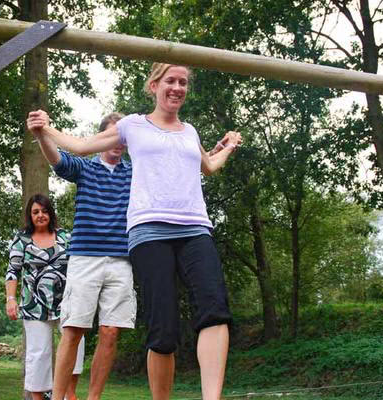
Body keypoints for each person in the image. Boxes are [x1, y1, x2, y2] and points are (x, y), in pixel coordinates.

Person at [27, 62, 242, 400]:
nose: (177, 87)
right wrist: (46, 130)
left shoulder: (189, 132)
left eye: (183, 82)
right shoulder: (132, 127)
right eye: (170, 80)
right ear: (153, 85)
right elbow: (81, 147)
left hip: (195, 228)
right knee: (162, 329)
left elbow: (208, 166)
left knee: (215, 308)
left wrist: (228, 146)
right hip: (147, 232)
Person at [32, 112, 137, 400]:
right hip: (85, 259)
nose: (117, 143)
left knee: (111, 332)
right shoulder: (85, 167)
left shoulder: (135, 172)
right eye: (112, 136)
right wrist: (42, 133)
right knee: (73, 330)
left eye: (123, 138)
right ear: (101, 138)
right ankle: (60, 396)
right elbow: (57, 159)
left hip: (121, 261)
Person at [5, 194, 85, 400]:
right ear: (30, 216)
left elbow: (79, 266)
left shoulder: (65, 237)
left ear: (51, 213)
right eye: (35, 212)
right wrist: (11, 299)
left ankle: (70, 395)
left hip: (67, 303)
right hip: (34, 305)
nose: (41, 215)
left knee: (76, 341)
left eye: (44, 211)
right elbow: (12, 271)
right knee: (38, 354)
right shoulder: (21, 239)